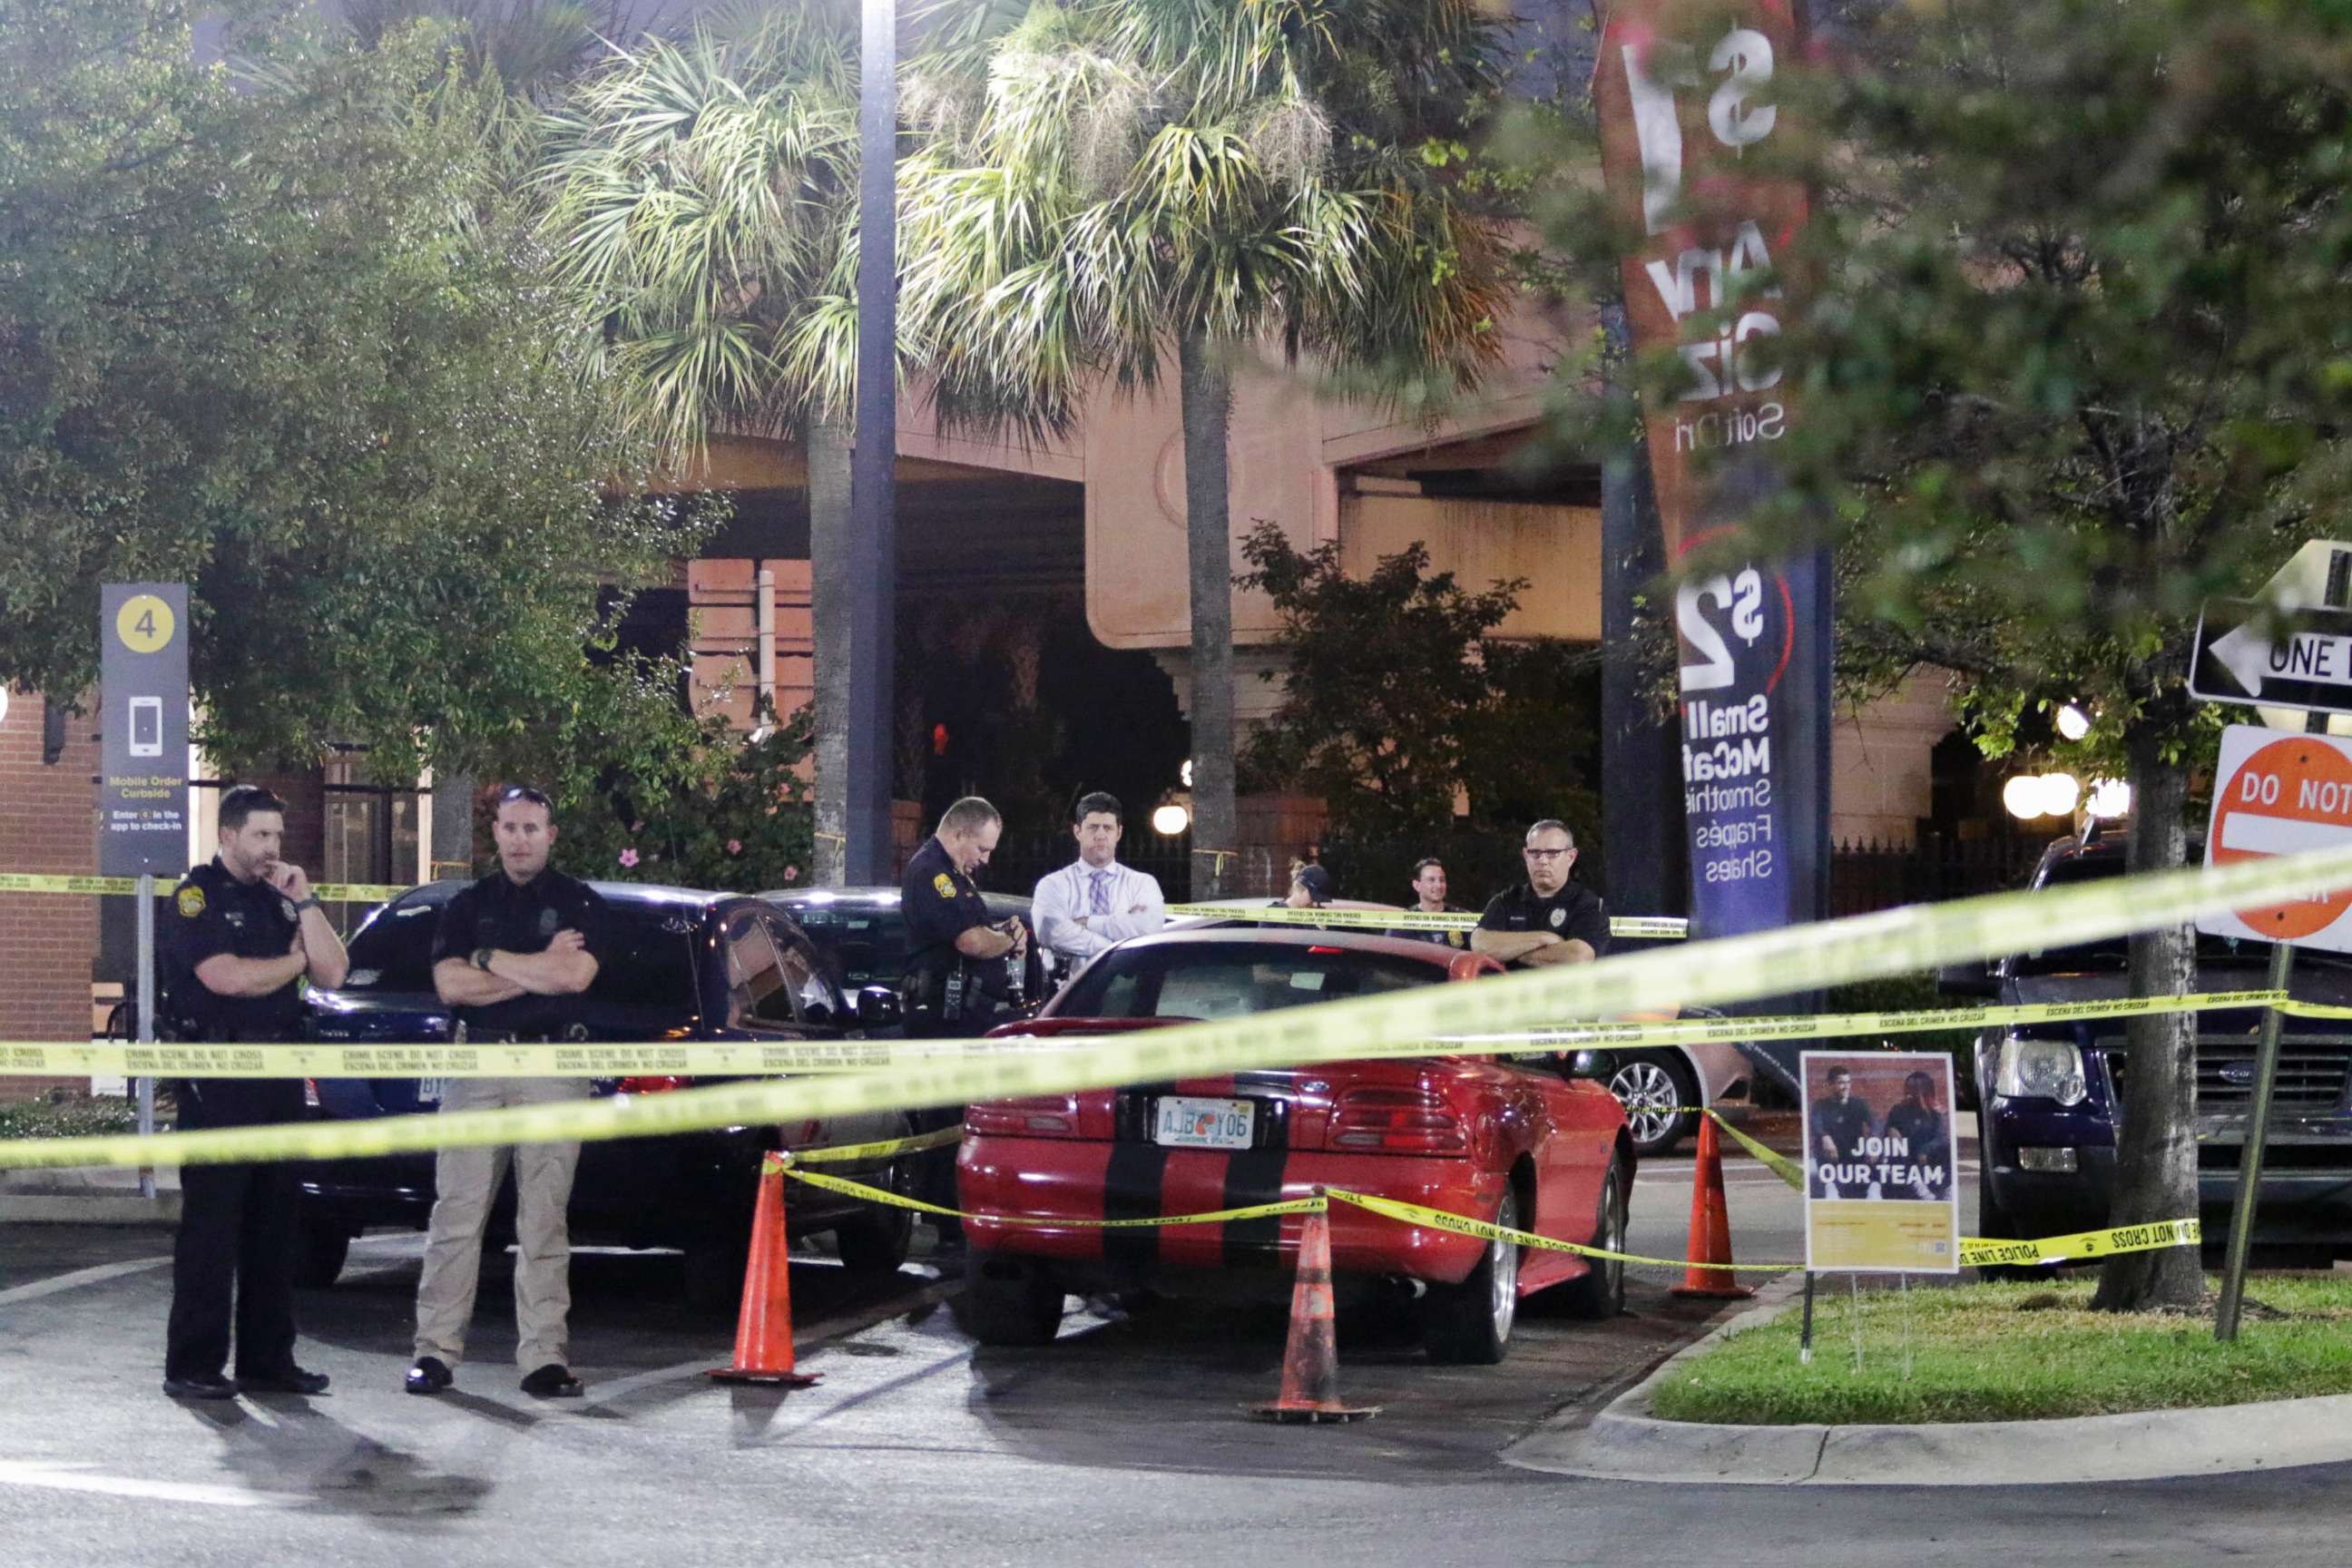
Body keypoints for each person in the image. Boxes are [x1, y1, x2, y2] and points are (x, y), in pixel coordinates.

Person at [406, 786, 609, 1400]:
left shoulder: (580, 902)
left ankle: (544, 1358)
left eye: (532, 828)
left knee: (544, 1221)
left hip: (552, 1067)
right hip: (478, 1065)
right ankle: (434, 1354)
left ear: (552, 834)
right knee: (456, 1216)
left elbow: (572, 976)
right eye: (510, 827)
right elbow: (449, 986)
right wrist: (532, 970)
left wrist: (490, 961)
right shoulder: (467, 905)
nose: (520, 839)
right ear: (494, 833)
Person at [160, 785, 349, 1400]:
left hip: (279, 1069)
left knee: (275, 1227)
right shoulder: (196, 898)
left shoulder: (281, 899)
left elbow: (334, 971)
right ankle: (193, 1366)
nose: (273, 848)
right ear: (228, 836)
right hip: (220, 1071)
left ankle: (268, 1362)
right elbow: (227, 978)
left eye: (277, 835)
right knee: (213, 1227)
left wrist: (308, 902)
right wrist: (292, 964)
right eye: (261, 836)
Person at [900, 797, 1030, 1249]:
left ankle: (957, 1218)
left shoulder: (955, 877)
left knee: (960, 1118)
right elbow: (972, 941)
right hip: (944, 1022)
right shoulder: (934, 875)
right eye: (983, 848)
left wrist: (1004, 933)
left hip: (963, 1020)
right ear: (958, 834)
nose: (985, 859)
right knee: (947, 1121)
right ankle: (948, 1223)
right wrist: (1004, 940)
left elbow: (981, 931)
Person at [1031, 791, 1166, 978]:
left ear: (1119, 832)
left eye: (1108, 828)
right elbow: (1051, 932)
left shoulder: (1142, 884)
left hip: (1124, 991)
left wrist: (1088, 923)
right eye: (1093, 827)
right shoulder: (1053, 885)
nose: (1100, 835)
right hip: (1066, 993)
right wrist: (1114, 947)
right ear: (1077, 831)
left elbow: (1149, 928)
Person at [1471, 820, 1609, 968]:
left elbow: (1578, 957)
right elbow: (1480, 944)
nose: (1543, 861)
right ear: (1526, 855)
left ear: (1571, 857)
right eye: (1535, 853)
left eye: (1552, 853)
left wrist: (1511, 951)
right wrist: (1544, 938)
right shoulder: (1507, 900)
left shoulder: (1588, 905)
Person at [1879, 1070, 1952, 1200]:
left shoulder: (1935, 1112)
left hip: (1927, 1154)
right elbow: (1889, 1132)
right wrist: (1892, 1132)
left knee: (1947, 1150)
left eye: (1915, 1091)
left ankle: (1948, 1189)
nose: (1910, 1094)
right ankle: (1919, 1187)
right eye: (1909, 1090)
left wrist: (1925, 1150)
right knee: (1897, 1150)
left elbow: (1941, 1137)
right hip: (1907, 1154)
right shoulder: (1898, 1110)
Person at [1809, 1064, 1876, 1200]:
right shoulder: (1820, 1105)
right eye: (1841, 1083)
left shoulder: (1858, 1104)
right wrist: (1825, 1137)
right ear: (1830, 1085)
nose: (1846, 1087)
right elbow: (1816, 1125)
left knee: (1880, 1149)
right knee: (1820, 1141)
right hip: (1833, 1156)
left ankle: (1874, 1188)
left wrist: (1874, 1143)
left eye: (1848, 1082)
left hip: (1855, 1154)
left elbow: (1875, 1124)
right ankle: (1830, 1186)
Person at [1387, 856, 1468, 947]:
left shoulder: (1463, 918)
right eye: (1431, 880)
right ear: (1417, 885)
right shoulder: (1402, 924)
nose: (1438, 885)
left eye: (1442, 880)